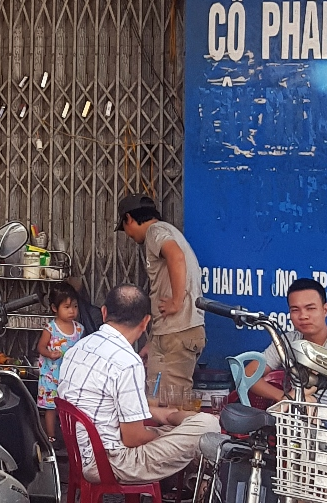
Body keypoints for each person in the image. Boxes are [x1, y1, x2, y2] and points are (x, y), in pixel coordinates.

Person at [57, 285, 219, 483]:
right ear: (145, 322)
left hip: (82, 454)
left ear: (104, 312)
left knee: (181, 429)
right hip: (109, 462)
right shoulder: (127, 361)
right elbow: (133, 438)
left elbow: (114, 409)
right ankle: (202, 484)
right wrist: (165, 437)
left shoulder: (78, 348)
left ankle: (197, 481)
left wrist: (172, 420)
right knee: (209, 425)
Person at [117, 194, 205, 398]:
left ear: (129, 218)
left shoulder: (155, 231)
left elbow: (176, 256)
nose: (128, 235)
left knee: (169, 405)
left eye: (124, 228)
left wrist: (176, 302)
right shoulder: (167, 231)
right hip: (172, 332)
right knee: (161, 401)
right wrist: (153, 342)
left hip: (177, 332)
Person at [247, 278, 327, 411]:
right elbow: (249, 374)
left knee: (306, 403)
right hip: (298, 414)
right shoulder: (288, 340)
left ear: (325, 310)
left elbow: (326, 372)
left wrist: (288, 400)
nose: (303, 316)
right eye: (295, 310)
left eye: (310, 308)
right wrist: (282, 397)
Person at [36, 281, 84, 442]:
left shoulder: (79, 329)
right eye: (67, 307)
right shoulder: (50, 329)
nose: (72, 311)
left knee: (69, 406)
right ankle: (51, 438)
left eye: (75, 306)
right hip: (51, 375)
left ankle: (68, 437)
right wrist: (49, 354)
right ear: (54, 308)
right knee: (51, 407)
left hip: (70, 377)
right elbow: (40, 347)